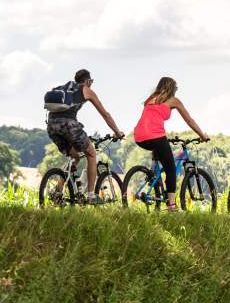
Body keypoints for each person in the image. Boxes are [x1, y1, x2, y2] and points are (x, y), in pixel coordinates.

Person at [46, 69, 125, 203]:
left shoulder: (61, 88)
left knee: (75, 156)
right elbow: (105, 114)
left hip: (52, 126)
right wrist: (117, 132)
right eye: (91, 82)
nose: (91, 84)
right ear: (88, 81)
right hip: (69, 126)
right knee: (92, 154)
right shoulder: (86, 90)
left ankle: (58, 191)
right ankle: (91, 195)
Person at [133, 77, 210, 212]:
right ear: (172, 88)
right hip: (156, 136)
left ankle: (153, 177)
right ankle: (172, 206)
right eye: (176, 88)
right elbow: (189, 120)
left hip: (139, 137)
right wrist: (202, 135)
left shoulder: (151, 99)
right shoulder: (173, 100)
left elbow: (151, 119)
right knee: (171, 169)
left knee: (158, 151)